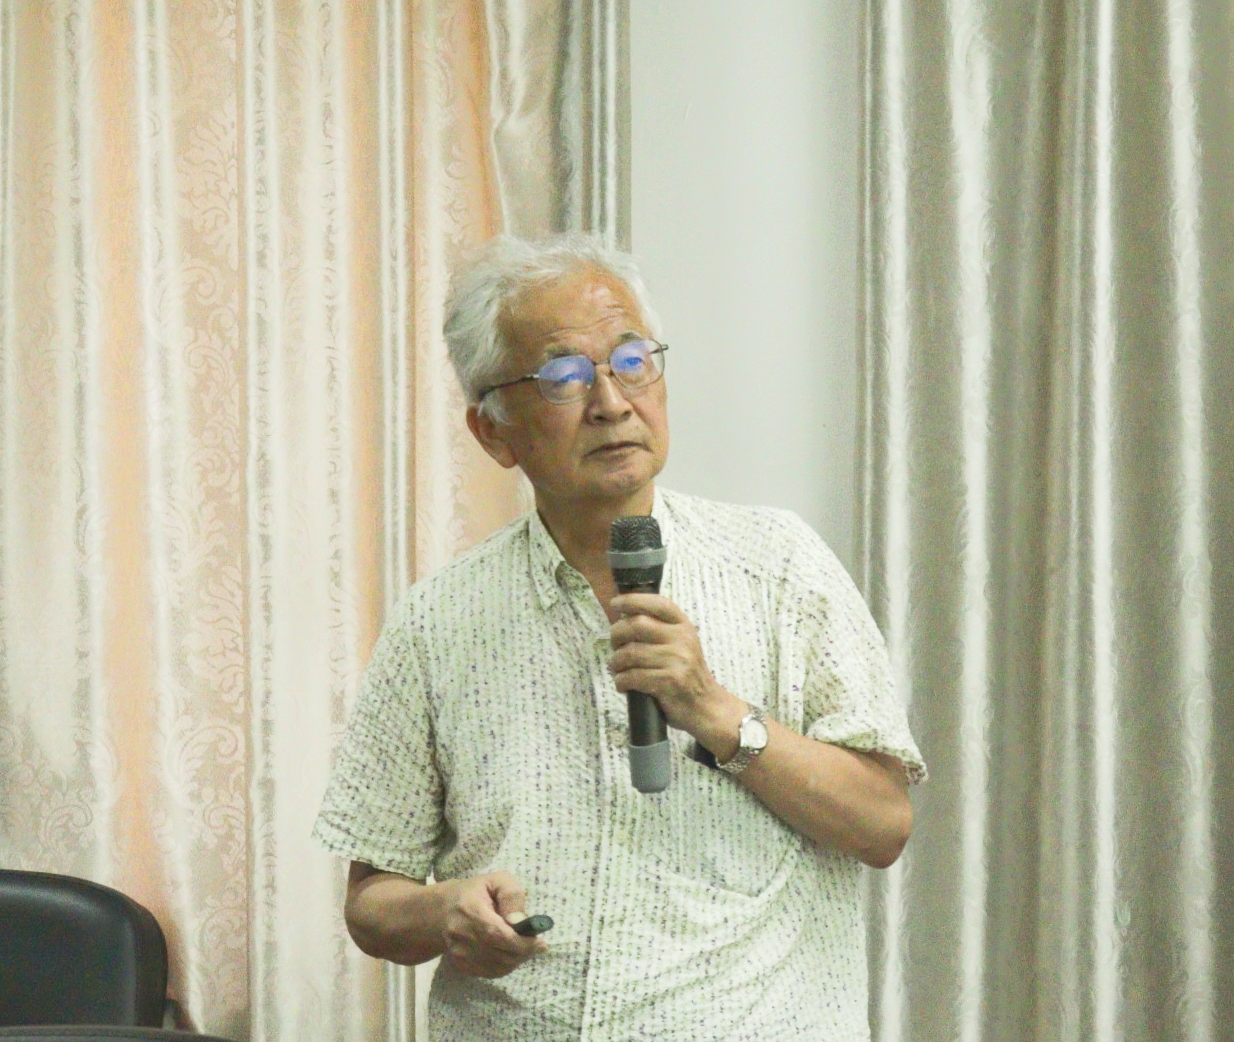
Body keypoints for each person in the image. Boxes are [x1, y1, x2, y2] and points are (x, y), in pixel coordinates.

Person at [313, 233, 927, 1041]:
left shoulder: (779, 565)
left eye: (632, 360)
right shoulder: (438, 621)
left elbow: (882, 824)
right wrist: (444, 910)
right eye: (564, 377)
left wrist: (713, 711)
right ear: (494, 432)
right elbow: (371, 902)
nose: (610, 401)